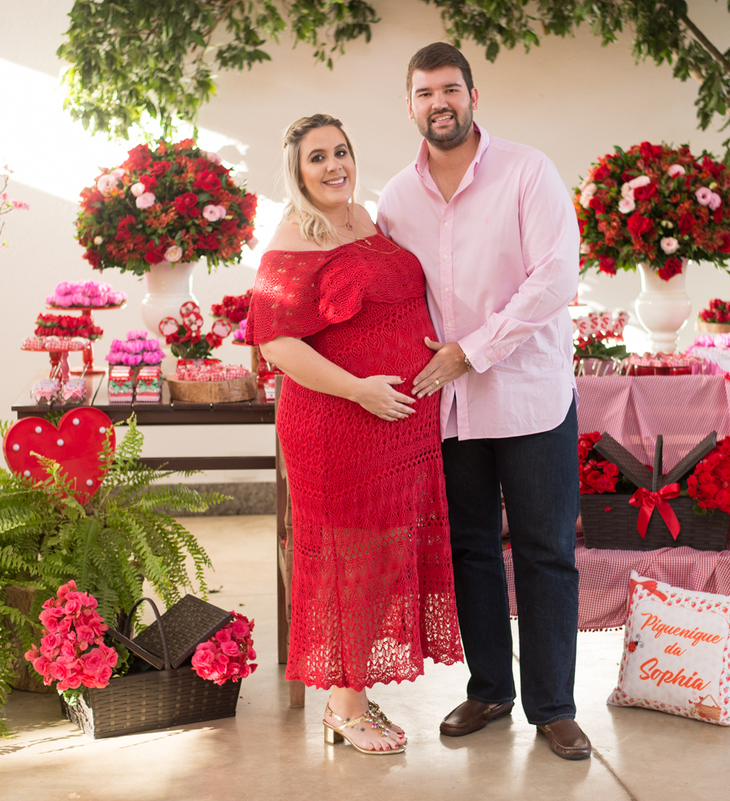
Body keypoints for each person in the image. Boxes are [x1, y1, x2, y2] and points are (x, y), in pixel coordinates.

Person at [376, 42, 590, 760]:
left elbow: (555, 277)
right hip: (450, 407)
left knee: (544, 551)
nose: (439, 102)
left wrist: (472, 349)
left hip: (530, 396)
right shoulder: (396, 198)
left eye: (450, 89)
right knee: (470, 549)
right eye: (424, 92)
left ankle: (554, 706)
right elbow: (394, 299)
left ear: (473, 96)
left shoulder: (529, 171)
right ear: (410, 106)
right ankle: (491, 688)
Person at [246, 113, 464, 755]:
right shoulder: (292, 236)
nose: (334, 165)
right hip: (338, 423)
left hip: (397, 428)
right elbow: (276, 343)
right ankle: (344, 704)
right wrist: (359, 389)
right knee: (353, 560)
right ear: (297, 172)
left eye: (340, 151)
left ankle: (352, 696)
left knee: (385, 557)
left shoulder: (365, 219)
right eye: (317, 157)